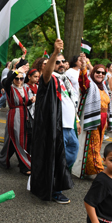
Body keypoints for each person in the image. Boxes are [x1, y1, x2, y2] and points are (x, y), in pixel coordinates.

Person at [30, 39, 75, 204]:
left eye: (63, 61)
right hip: (56, 128)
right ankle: (55, 187)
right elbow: (47, 75)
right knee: (56, 158)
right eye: (57, 62)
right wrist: (54, 53)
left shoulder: (63, 80)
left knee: (71, 155)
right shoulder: (47, 79)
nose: (61, 64)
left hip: (70, 126)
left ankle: (50, 178)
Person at [75, 64, 112, 177]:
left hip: (103, 119)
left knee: (98, 145)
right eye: (98, 72)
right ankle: (98, 170)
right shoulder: (89, 85)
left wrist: (106, 121)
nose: (100, 74)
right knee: (93, 145)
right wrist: (83, 68)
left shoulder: (104, 87)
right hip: (93, 118)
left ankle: (89, 168)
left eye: (103, 73)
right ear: (93, 73)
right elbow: (83, 81)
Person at [0, 63, 33, 175]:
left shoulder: (25, 88)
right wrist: (17, 71)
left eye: (21, 78)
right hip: (15, 115)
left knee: (15, 139)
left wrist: (32, 100)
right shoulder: (9, 88)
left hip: (25, 115)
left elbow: (26, 103)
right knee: (19, 139)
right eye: (17, 78)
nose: (19, 80)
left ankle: (2, 159)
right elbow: (7, 81)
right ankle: (25, 166)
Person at [23, 68, 40, 154]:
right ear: (29, 77)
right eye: (35, 76)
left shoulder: (38, 86)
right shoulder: (25, 86)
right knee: (29, 136)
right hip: (28, 115)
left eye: (38, 77)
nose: (37, 78)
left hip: (37, 114)